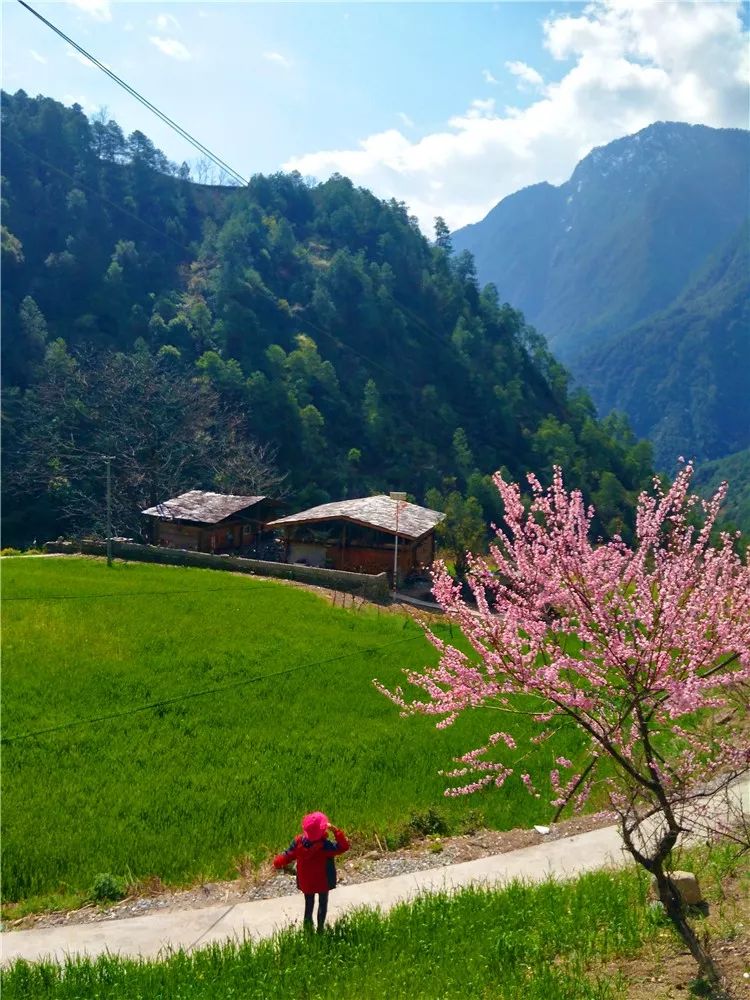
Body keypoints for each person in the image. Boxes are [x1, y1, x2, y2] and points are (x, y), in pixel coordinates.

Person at [273, 811, 350, 932]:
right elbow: (343, 847)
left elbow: (287, 856)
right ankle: (320, 929)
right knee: (322, 904)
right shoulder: (325, 846)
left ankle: (308, 931)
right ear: (323, 829)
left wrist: (277, 862)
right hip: (323, 882)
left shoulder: (298, 842)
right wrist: (335, 831)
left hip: (306, 882)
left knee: (308, 905)